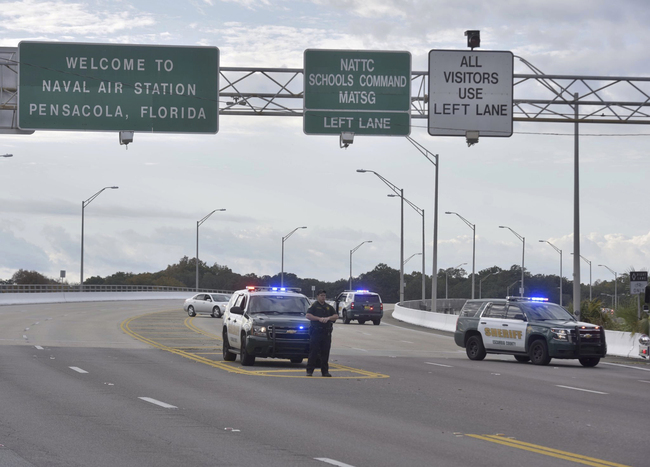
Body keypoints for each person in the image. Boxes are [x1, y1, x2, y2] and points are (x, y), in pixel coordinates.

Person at [305, 289, 338, 377]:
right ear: (317, 296)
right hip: (316, 331)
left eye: (324, 296)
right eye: (321, 296)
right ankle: (309, 370)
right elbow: (308, 315)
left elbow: (336, 316)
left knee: (325, 352)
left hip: (326, 332)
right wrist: (319, 318)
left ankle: (325, 371)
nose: (323, 297)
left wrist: (328, 318)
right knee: (313, 352)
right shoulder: (314, 306)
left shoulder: (328, 307)